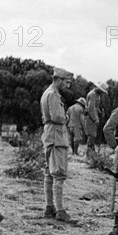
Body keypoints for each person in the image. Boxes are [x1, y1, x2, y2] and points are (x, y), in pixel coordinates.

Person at [40, 67, 75, 223]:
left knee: (49, 173)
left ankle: (49, 207)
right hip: (57, 135)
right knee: (59, 173)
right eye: (66, 82)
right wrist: (66, 117)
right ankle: (60, 210)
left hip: (49, 134)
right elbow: (57, 116)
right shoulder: (53, 95)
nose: (67, 86)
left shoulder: (46, 93)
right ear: (58, 80)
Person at [85, 82, 108, 158]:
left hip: (93, 117)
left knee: (93, 135)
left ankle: (92, 152)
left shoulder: (97, 95)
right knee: (91, 135)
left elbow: (96, 107)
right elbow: (91, 108)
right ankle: (88, 153)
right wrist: (96, 119)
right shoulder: (93, 94)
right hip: (90, 118)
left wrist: (100, 112)